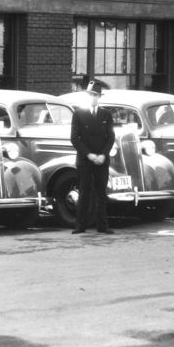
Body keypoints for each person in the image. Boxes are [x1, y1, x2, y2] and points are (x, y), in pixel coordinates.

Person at [70, 80, 115, 233]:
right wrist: (88, 154)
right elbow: (75, 138)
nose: (93, 98)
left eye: (96, 95)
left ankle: (102, 226)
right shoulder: (78, 114)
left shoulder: (106, 114)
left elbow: (111, 137)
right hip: (85, 160)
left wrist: (103, 154)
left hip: (102, 160)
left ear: (99, 97)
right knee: (84, 192)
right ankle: (80, 226)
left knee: (101, 193)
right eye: (91, 95)